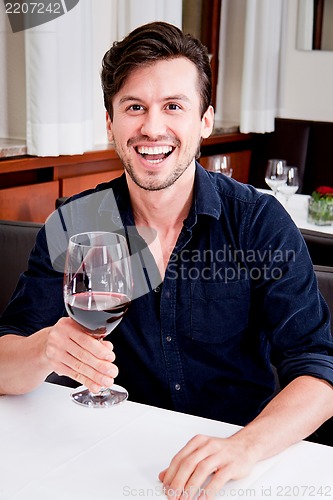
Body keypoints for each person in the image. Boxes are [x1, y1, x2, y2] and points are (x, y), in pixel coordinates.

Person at [0, 21, 332, 499]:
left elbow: (319, 370)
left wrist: (245, 447)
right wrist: (45, 348)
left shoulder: (257, 220)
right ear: (110, 121)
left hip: (238, 462)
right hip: (111, 456)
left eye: (173, 106)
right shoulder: (76, 222)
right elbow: (6, 356)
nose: (152, 128)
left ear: (204, 121)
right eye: (134, 107)